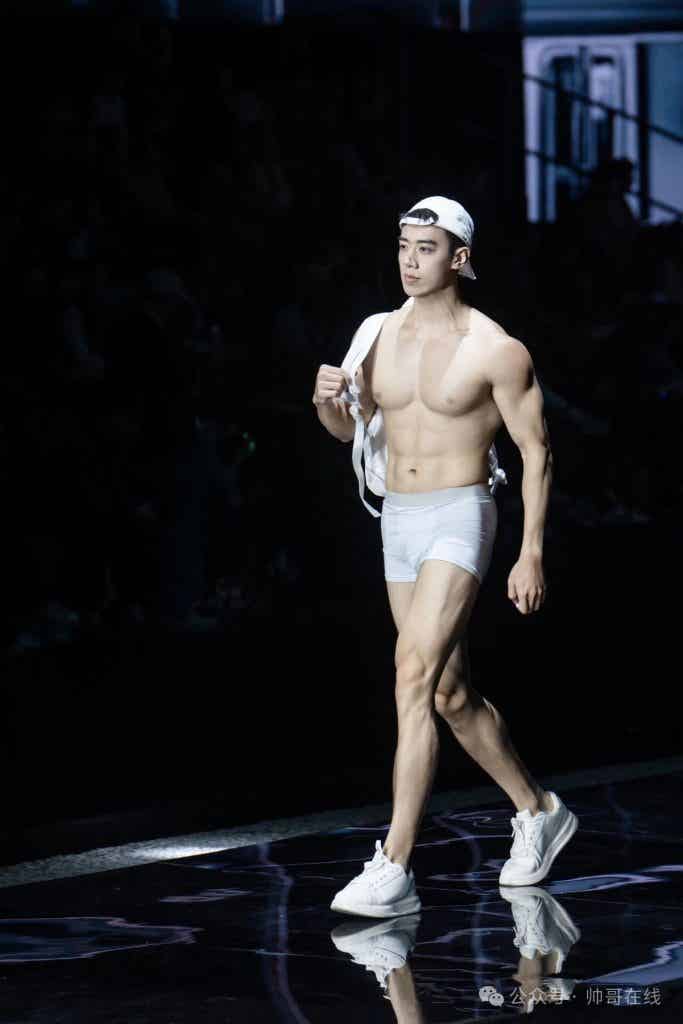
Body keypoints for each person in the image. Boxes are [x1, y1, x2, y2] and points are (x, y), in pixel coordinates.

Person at [313, 196, 578, 918]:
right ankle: (539, 809)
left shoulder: (495, 348)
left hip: (461, 514)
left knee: (411, 673)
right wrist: (326, 402)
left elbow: (536, 451)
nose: (409, 259)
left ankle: (394, 865)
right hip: (396, 518)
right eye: (403, 244)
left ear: (458, 258)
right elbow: (348, 432)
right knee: (447, 694)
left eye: (425, 247)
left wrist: (529, 552)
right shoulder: (375, 334)